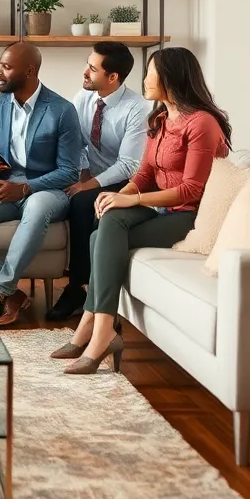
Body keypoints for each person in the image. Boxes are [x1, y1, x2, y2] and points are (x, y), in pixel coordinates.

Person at [53, 46, 230, 374]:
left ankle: (97, 331)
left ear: (171, 79)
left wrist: (133, 200)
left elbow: (193, 190)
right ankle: (96, 328)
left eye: (151, 73)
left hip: (191, 217)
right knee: (105, 226)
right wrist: (118, 196)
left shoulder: (202, 123)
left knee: (103, 234)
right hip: (162, 209)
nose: (145, 79)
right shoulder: (161, 118)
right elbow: (144, 174)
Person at [0, 41, 82, 327]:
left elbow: (69, 171)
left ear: (29, 71)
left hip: (47, 191)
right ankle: (8, 292)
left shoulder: (62, 110)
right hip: (6, 188)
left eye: (6, 67)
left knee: (37, 204)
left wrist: (25, 188)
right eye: (0, 65)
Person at [48, 41, 149, 320]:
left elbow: (130, 164)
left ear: (112, 77)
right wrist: (82, 175)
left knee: (87, 205)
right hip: (89, 177)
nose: (85, 72)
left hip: (126, 181)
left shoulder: (137, 108)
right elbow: (75, 143)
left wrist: (88, 185)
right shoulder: (83, 97)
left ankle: (89, 291)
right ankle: (79, 288)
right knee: (76, 201)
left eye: (92, 68)